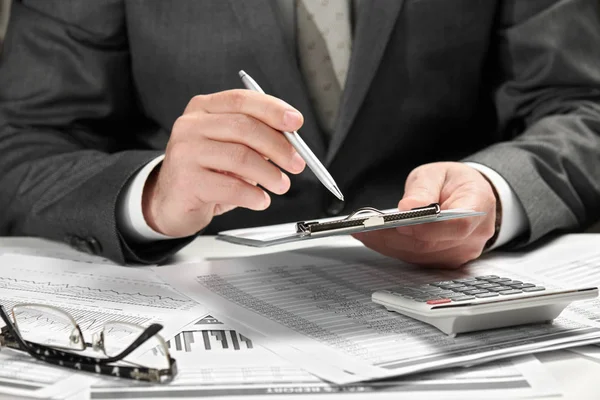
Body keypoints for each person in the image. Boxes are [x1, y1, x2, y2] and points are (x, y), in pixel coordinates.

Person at [0, 0, 599, 266]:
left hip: (440, 310)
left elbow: (581, 105)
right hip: (190, 315)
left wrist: (497, 189)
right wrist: (150, 196)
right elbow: (22, 140)